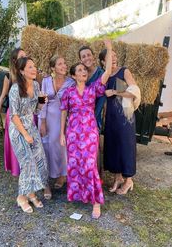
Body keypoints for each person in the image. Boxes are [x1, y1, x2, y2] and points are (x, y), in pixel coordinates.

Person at [60, 39, 112, 219]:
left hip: (90, 130)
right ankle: (82, 194)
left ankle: (96, 201)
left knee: (90, 165)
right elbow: (64, 113)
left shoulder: (93, 89)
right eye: (80, 70)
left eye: (84, 70)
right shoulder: (68, 93)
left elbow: (108, 72)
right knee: (75, 163)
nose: (83, 72)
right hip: (73, 132)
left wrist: (109, 48)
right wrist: (61, 134)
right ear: (73, 76)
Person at [9, 56, 49, 213]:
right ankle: (21, 197)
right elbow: (14, 115)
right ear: (21, 71)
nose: (34, 69)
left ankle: (31, 193)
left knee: (39, 160)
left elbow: (36, 111)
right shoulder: (15, 89)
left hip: (31, 126)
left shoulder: (37, 85)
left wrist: (41, 103)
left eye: (34, 66)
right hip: (18, 130)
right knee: (27, 163)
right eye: (30, 67)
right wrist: (25, 135)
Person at [99, 48, 141, 195]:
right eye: (110, 57)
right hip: (111, 116)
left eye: (115, 55)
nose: (114, 58)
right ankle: (118, 178)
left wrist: (115, 92)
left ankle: (129, 180)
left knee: (125, 145)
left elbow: (134, 91)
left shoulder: (124, 71)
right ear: (104, 62)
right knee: (113, 145)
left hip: (125, 116)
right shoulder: (103, 76)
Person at [39, 55, 74, 194]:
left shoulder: (71, 82)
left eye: (65, 63)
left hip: (63, 119)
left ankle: (62, 175)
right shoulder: (46, 81)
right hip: (48, 118)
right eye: (60, 64)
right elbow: (42, 101)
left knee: (62, 147)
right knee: (47, 146)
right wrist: (42, 122)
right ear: (53, 68)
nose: (64, 66)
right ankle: (48, 177)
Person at [0, 48, 26, 177]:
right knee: (16, 145)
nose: (25, 58)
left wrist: (43, 105)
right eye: (22, 56)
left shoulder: (32, 73)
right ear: (15, 61)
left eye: (26, 56)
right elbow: (2, 98)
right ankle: (19, 172)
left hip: (29, 116)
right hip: (14, 116)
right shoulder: (9, 77)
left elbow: (40, 94)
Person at [78, 45, 106, 132]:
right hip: (79, 118)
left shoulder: (101, 74)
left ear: (93, 56)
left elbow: (101, 100)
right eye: (83, 56)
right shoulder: (79, 74)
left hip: (93, 118)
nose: (87, 58)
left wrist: (91, 118)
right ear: (80, 60)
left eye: (89, 55)